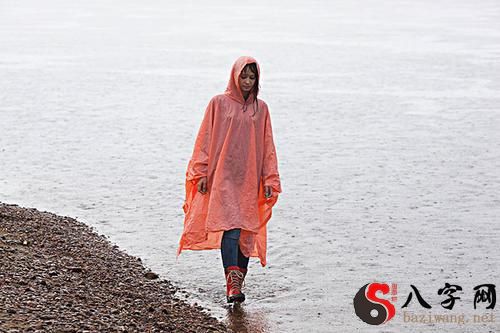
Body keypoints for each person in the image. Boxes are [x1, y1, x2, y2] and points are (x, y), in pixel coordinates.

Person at [177, 56, 282, 303]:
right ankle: (232, 285)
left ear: (257, 79)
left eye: (251, 77)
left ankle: (237, 282)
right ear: (234, 76)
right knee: (232, 227)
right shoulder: (219, 104)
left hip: (249, 178)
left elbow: (268, 146)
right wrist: (201, 172)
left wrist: (269, 179)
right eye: (243, 76)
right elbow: (204, 138)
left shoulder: (261, 108)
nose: (247, 81)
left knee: (247, 229)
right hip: (223, 176)